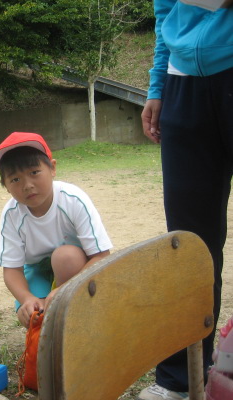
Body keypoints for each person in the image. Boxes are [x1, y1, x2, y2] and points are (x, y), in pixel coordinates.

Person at [139, 1, 233, 399]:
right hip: (182, 85)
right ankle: (180, 379)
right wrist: (157, 86)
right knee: (189, 245)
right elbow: (165, 14)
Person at [0, 131, 113, 328]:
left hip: (77, 268)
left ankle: (75, 312)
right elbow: (12, 270)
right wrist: (27, 299)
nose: (27, 185)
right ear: (5, 186)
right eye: (15, 180)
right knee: (33, 316)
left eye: (34, 172)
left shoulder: (73, 199)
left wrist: (65, 289)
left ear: (52, 168)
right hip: (37, 269)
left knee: (66, 257)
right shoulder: (12, 213)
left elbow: (101, 256)